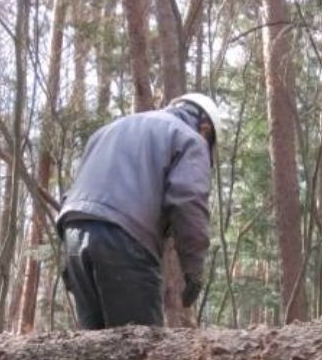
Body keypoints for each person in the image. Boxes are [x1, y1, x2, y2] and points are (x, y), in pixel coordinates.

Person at [55, 93, 222, 329]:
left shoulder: (109, 130)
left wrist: (70, 253)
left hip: (74, 232)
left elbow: (77, 192)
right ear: (205, 128)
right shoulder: (190, 139)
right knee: (142, 354)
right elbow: (188, 200)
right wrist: (193, 268)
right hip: (123, 240)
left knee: (92, 354)